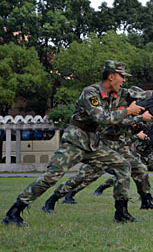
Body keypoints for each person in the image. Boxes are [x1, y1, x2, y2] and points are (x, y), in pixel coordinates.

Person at [2, 60, 144, 226]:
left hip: (92, 144)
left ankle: (121, 213)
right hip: (74, 142)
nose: (124, 80)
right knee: (51, 177)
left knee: (122, 165)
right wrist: (128, 111)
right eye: (122, 77)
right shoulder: (90, 93)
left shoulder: (115, 94)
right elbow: (102, 118)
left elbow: (141, 96)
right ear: (111, 77)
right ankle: (14, 212)